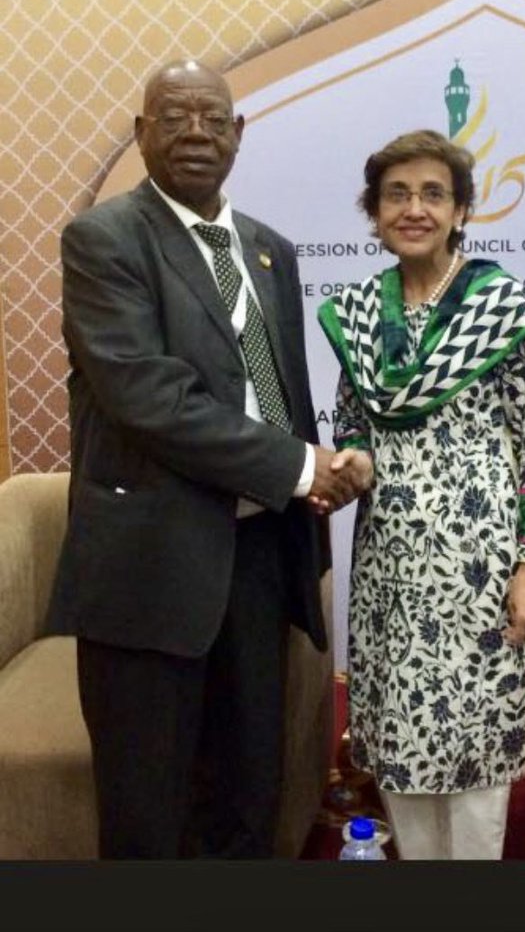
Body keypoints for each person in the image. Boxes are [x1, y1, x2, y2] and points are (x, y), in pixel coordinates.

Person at [46, 58, 367, 859]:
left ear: (238, 134)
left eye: (213, 119)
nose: (195, 132)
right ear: (140, 132)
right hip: (152, 566)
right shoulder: (104, 240)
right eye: (174, 116)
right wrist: (301, 466)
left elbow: (278, 392)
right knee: (148, 810)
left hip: (259, 557)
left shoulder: (268, 249)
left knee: (247, 796)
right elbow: (149, 398)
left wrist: (315, 479)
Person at [317, 129, 525, 860]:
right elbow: (352, 428)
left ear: (460, 210)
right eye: (396, 194)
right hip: (391, 576)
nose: (414, 208)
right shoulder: (359, 312)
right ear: (374, 212)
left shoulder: (497, 304)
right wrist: (347, 467)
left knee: (477, 749)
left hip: (481, 572)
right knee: (402, 743)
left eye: (433, 193)